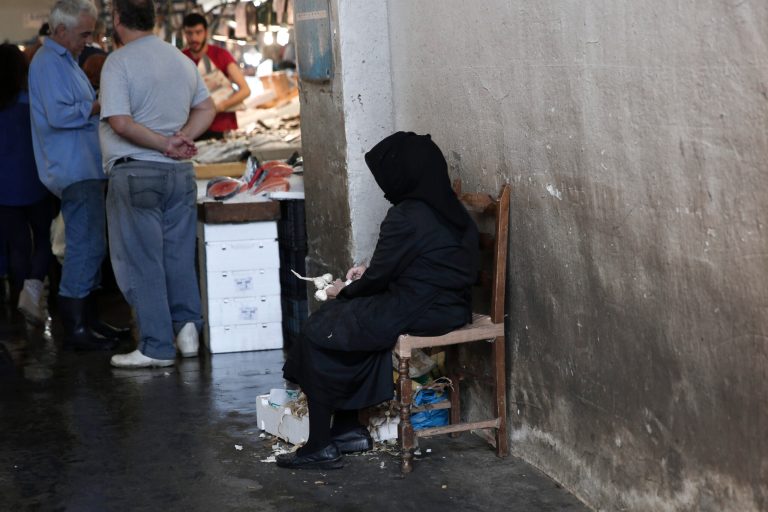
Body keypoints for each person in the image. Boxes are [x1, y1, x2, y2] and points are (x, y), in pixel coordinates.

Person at [278, 132, 480, 470]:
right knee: (351, 325)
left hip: (421, 308)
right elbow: (420, 261)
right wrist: (367, 275)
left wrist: (342, 289)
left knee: (320, 329)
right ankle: (348, 431)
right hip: (449, 306)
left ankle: (319, 445)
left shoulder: (407, 214)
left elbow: (378, 280)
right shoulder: (445, 206)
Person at [100, 0, 216, 368]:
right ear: (153, 20)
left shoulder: (118, 62)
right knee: (179, 256)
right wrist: (182, 137)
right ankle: (187, 333)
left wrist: (166, 142)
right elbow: (207, 108)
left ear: (117, 20)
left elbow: (119, 121)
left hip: (137, 173)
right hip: (180, 174)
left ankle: (155, 346)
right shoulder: (180, 59)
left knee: (143, 259)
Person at [28, 0, 120, 351]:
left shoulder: (62, 60)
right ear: (61, 30)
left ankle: (89, 321)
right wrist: (97, 105)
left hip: (84, 167)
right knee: (84, 248)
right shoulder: (48, 63)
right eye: (84, 33)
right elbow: (58, 116)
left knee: (92, 246)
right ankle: (77, 329)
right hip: (73, 170)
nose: (89, 39)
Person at [0, 43, 55, 325]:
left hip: (4, 192)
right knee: (45, 239)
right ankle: (32, 291)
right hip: (37, 183)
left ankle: (20, 299)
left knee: (17, 247)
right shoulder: (33, 103)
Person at [181, 12, 250, 139]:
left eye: (198, 32)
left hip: (223, 128)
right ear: (184, 34)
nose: (194, 38)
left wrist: (221, 106)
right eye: (189, 33)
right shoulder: (180, 59)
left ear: (206, 32)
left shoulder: (221, 55)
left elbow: (245, 90)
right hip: (193, 130)